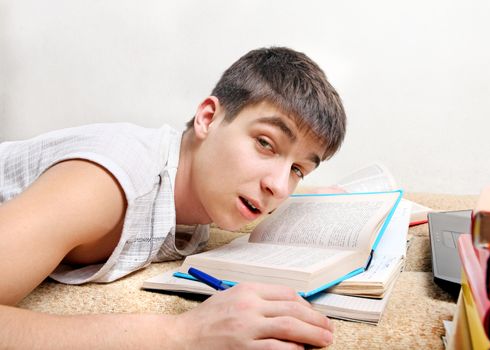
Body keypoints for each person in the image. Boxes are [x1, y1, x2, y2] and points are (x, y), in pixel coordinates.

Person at [0, 47, 346, 349]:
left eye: (298, 170)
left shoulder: (206, 187)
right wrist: (182, 335)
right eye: (265, 143)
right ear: (208, 119)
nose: (279, 187)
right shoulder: (105, 184)